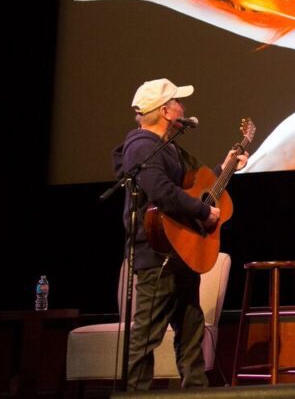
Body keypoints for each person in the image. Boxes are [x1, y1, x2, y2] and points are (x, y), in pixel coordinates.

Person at [113, 78, 248, 391]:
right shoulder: (142, 146)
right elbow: (160, 191)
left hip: (181, 251)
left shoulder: (170, 148)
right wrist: (203, 212)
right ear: (165, 111)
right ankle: (136, 395)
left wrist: (226, 167)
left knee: (191, 332)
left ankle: (197, 393)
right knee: (147, 335)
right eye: (178, 103)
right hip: (155, 254)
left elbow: (195, 187)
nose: (183, 108)